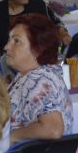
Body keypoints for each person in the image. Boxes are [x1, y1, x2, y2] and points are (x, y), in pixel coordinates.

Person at [5, 13, 73, 142]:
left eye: (16, 41)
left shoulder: (38, 79)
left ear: (37, 49)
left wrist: (13, 136)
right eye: (9, 40)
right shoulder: (32, 74)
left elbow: (53, 129)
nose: (7, 47)